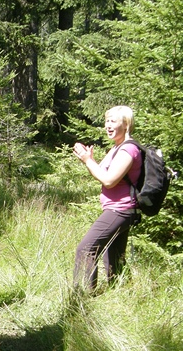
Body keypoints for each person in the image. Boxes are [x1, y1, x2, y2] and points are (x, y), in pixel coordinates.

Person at [73, 105, 142, 293]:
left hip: (121, 209)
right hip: (118, 209)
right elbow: (101, 173)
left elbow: (109, 180)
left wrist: (88, 161)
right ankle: (119, 294)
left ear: (126, 124)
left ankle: (82, 297)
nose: (108, 126)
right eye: (107, 121)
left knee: (86, 248)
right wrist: (89, 159)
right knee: (114, 256)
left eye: (113, 121)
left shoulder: (128, 150)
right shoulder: (117, 148)